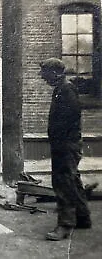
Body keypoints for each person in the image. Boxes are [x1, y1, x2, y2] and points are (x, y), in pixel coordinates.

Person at [39, 58, 91, 241]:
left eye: (44, 73)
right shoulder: (62, 89)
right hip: (66, 144)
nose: (42, 77)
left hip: (65, 145)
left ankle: (65, 225)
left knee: (63, 183)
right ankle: (83, 217)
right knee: (72, 179)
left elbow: (69, 118)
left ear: (55, 73)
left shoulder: (66, 90)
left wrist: (60, 142)